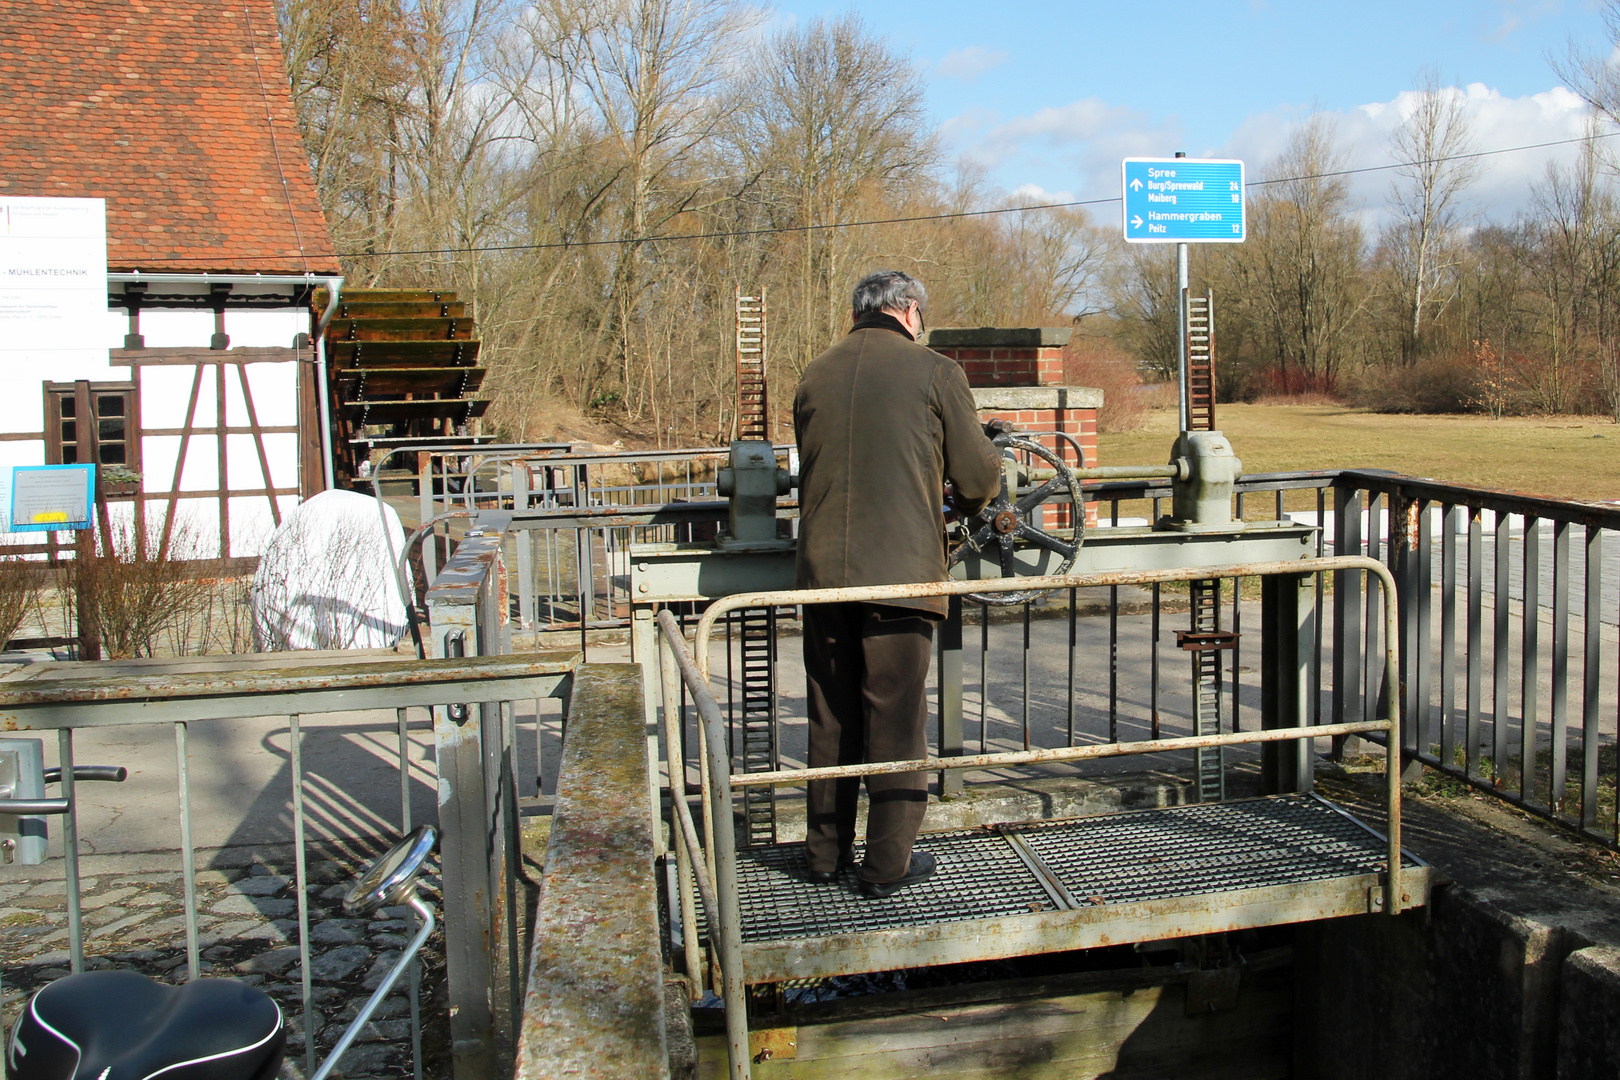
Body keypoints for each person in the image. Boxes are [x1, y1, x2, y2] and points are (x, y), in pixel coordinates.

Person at [792, 269, 1003, 897]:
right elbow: (978, 478)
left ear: (862, 313)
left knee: (831, 718)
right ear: (909, 312)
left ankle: (824, 856)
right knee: (895, 718)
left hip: (822, 573)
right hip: (900, 574)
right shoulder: (936, 372)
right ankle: (886, 866)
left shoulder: (814, 374)